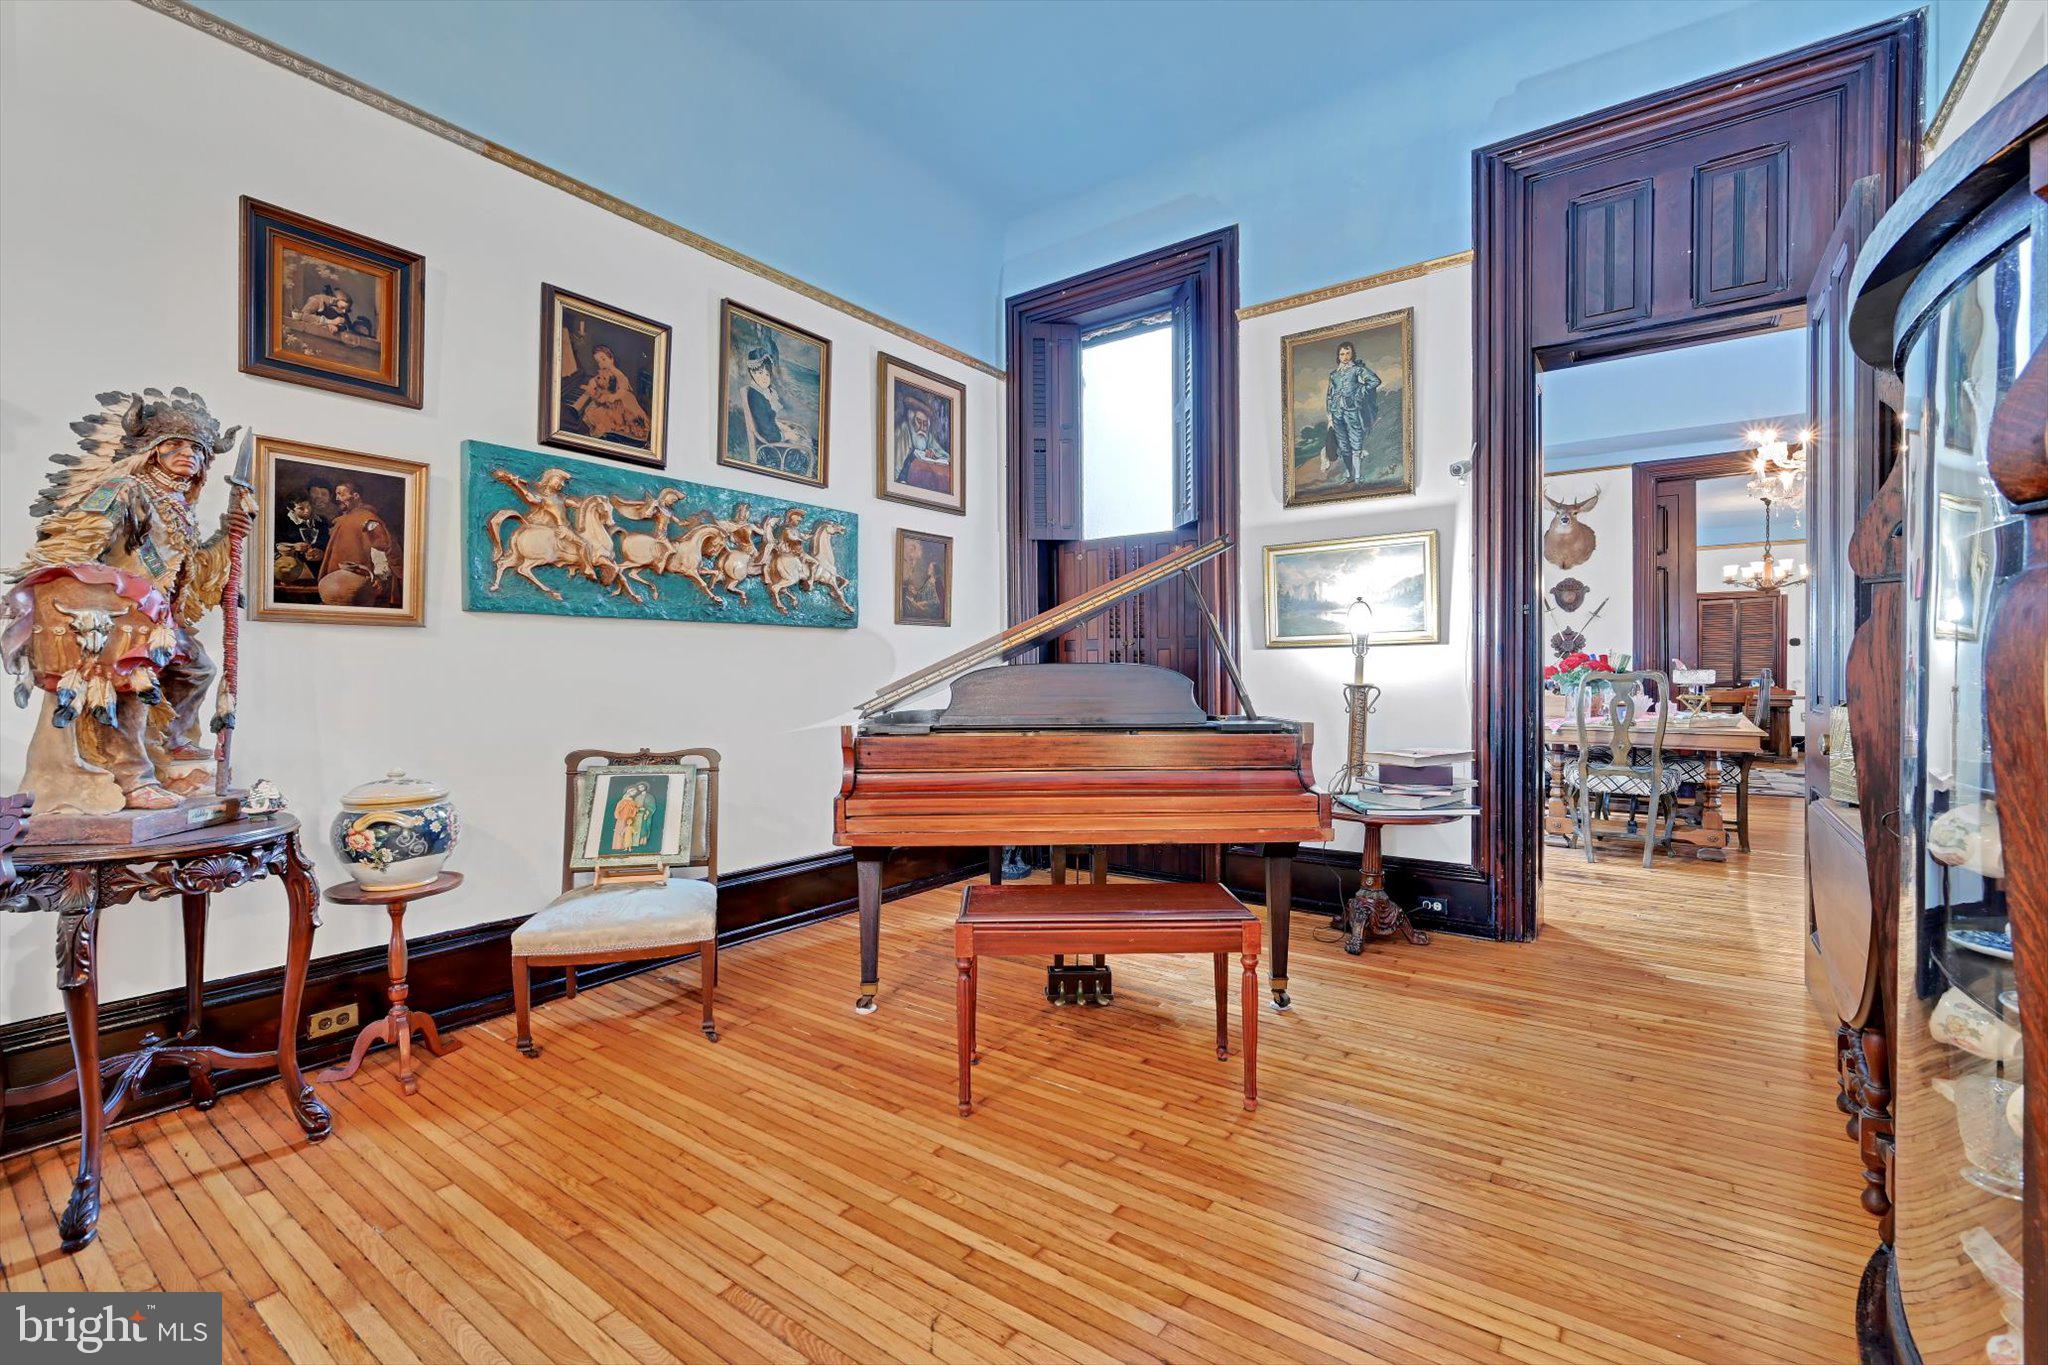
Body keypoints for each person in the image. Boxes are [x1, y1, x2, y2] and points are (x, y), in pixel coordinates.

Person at [4, 388, 248, 809]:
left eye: (197, 449)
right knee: (131, 690)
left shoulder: (178, 506)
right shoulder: (123, 490)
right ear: (152, 450)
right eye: (174, 444)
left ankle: (170, 749)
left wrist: (231, 531)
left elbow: (192, 569)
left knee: (197, 669)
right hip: (115, 616)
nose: (187, 454)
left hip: (157, 620)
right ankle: (133, 780)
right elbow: (76, 543)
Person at [318, 479, 396, 606]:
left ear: (355, 496)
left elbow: (380, 548)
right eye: (336, 494)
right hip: (336, 582)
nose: (337, 498)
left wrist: (378, 577)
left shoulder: (368, 520)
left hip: (359, 585)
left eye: (341, 494)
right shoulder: (342, 520)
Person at [568, 343, 650, 443]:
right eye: (598, 362)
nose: (601, 364)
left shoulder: (618, 374)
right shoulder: (604, 371)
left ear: (611, 359)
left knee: (602, 417)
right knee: (594, 409)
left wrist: (613, 396)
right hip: (609, 402)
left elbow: (623, 389)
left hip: (621, 404)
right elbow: (596, 380)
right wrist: (591, 384)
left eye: (603, 359)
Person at [1324, 340, 1382, 483]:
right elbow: (1329, 396)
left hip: (1352, 412)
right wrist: (1330, 416)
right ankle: (1350, 475)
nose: (1345, 356)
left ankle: (1357, 477)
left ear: (1352, 354)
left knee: (1356, 444)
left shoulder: (1357, 370)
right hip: (1337, 414)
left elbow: (1374, 381)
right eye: (1342, 354)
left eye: (1348, 353)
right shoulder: (1333, 375)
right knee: (1344, 446)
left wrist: (1359, 392)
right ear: (1338, 356)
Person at [893, 398, 952, 493]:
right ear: (912, 421)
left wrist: (934, 454)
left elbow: (946, 456)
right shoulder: (904, 430)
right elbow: (896, 469)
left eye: (925, 424)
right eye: (919, 422)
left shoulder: (927, 435)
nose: (922, 427)